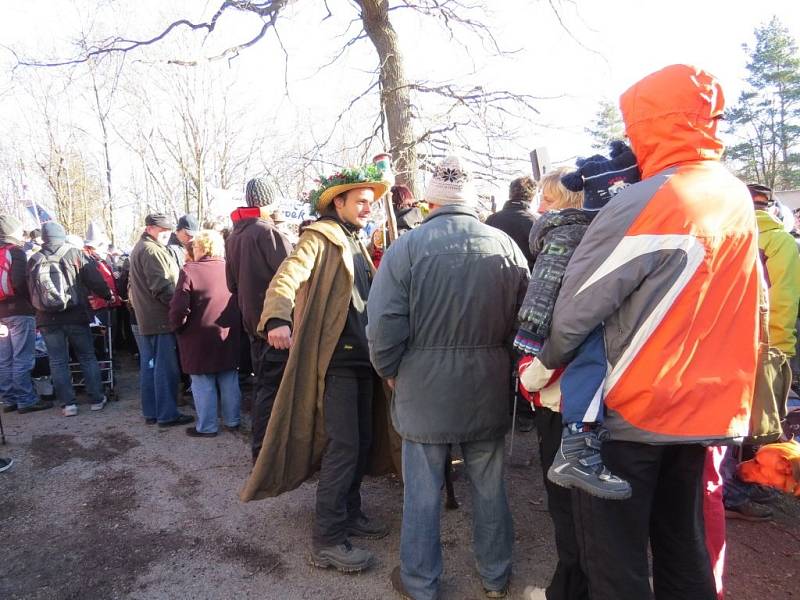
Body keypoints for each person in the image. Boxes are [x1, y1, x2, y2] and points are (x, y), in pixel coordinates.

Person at [537, 64, 760, 599]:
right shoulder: (735, 196)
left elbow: (577, 306)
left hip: (632, 409)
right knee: (683, 544)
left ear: (649, 123)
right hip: (703, 407)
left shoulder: (652, 199)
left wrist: (543, 365)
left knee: (615, 559)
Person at [367, 155, 530, 600]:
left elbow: (382, 324)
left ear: (430, 198)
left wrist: (389, 370)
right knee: (490, 486)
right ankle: (495, 577)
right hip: (487, 383)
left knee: (422, 491)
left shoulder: (407, 248)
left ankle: (421, 583)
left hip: (423, 385)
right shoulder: (505, 246)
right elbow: (527, 319)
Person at [240, 164, 392, 574]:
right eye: (360, 202)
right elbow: (285, 279)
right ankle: (327, 539)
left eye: (370, 203)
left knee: (360, 441)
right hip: (337, 361)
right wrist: (277, 318)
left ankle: (351, 513)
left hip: (364, 360)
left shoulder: (356, 241)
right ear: (336, 201)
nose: (367, 209)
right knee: (343, 446)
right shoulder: (318, 237)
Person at [720, 182, 800, 522]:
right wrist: (782, 351)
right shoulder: (781, 242)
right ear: (770, 208)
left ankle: (740, 485)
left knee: (729, 420)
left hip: (725, 345)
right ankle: (736, 493)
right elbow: (784, 300)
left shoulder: (726, 235)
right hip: (767, 347)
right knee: (760, 422)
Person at [225, 176, 293, 462]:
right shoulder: (268, 233)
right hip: (275, 325)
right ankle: (266, 456)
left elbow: (231, 284)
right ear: (267, 201)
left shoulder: (233, 236)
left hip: (252, 323)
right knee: (274, 390)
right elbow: (294, 276)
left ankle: (264, 453)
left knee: (264, 387)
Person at [27, 222, 112, 417]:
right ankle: (97, 399)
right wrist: (107, 295)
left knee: (58, 361)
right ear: (61, 235)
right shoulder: (74, 254)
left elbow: (28, 289)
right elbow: (94, 280)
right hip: (75, 315)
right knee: (87, 356)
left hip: (47, 319)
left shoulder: (34, 259)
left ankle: (68, 405)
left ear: (44, 238)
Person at [170, 230, 241, 438]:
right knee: (229, 377)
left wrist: (177, 326)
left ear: (199, 247)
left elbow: (179, 307)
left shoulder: (190, 270)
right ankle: (233, 420)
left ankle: (208, 426)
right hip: (227, 333)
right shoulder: (231, 268)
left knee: (203, 381)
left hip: (197, 336)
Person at [128, 213, 194, 428]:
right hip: (159, 318)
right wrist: (179, 307)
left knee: (151, 366)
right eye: (161, 230)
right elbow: (162, 287)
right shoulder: (151, 250)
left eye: (168, 231)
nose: (165, 234)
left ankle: (153, 411)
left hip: (149, 317)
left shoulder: (142, 247)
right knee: (165, 368)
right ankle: (166, 414)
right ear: (150, 228)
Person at [0, 215, 48, 413]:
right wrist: (32, 303)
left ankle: (8, 399)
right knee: (22, 356)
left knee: (4, 358)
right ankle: (26, 399)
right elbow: (20, 281)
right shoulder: (16, 252)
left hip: (1, 313)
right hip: (19, 311)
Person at [485, 176, 539, 269]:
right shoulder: (537, 221)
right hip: (528, 277)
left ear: (510, 194)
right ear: (533, 196)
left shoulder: (491, 219)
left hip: (498, 276)